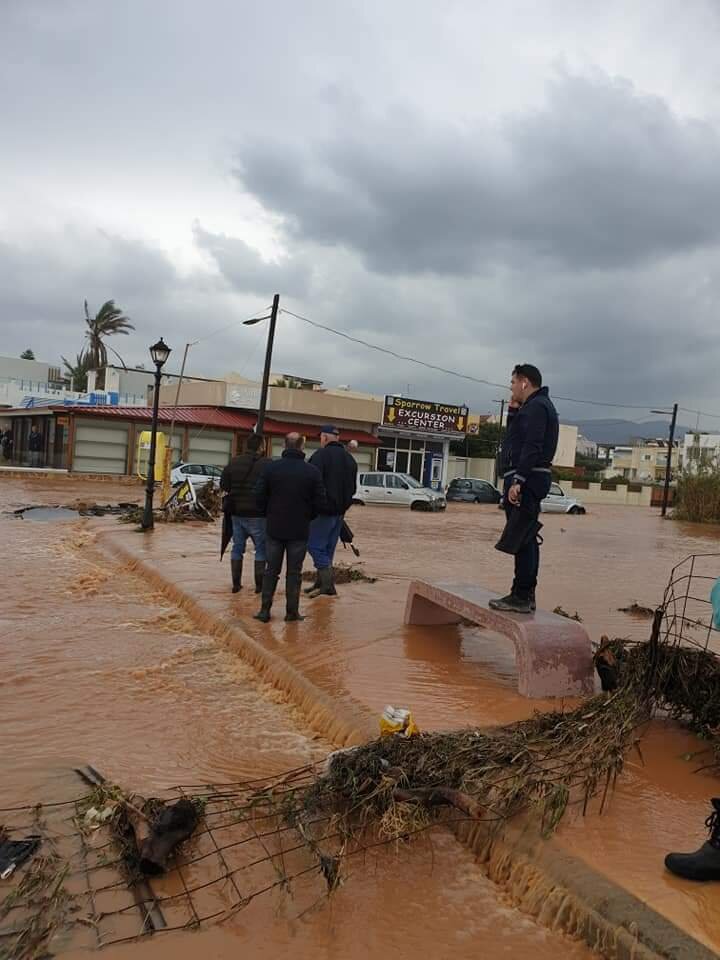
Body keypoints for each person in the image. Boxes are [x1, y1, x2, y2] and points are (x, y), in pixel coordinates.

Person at [489, 364, 559, 614]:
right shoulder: (533, 407)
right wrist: (512, 411)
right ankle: (524, 595)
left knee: (523, 538)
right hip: (527, 477)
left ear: (524, 382)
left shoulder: (538, 407)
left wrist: (518, 480)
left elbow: (532, 444)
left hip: (528, 479)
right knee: (525, 537)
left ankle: (521, 595)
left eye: (512, 383)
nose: (510, 388)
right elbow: (515, 438)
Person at [254, 433, 326, 623]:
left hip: (274, 528)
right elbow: (320, 502)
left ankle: (264, 611)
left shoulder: (271, 468)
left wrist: (268, 513)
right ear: (302, 447)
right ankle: (291, 613)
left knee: (271, 570)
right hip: (299, 530)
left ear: (284, 445)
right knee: (294, 573)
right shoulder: (312, 472)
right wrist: (307, 516)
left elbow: (258, 496)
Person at [306, 425, 358, 598]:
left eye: (321, 437)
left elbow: (311, 483)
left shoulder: (319, 456)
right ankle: (321, 583)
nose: (320, 440)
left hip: (322, 512)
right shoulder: (350, 459)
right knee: (328, 549)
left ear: (325, 438)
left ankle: (328, 586)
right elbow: (353, 488)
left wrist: (314, 505)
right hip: (340, 513)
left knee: (314, 546)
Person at [220, 433, 270, 594]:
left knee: (237, 548)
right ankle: (259, 587)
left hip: (237, 513)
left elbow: (224, 485)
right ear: (261, 447)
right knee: (261, 550)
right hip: (258, 514)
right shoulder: (267, 464)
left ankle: (236, 584)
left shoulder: (234, 462)